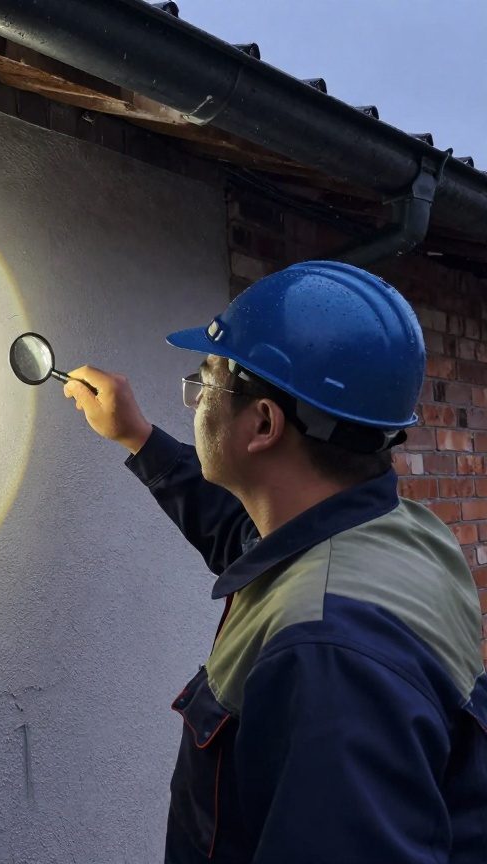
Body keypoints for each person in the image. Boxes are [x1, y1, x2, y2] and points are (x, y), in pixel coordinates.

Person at [63, 261, 487, 864]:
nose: (196, 401)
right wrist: (139, 438)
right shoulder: (393, 531)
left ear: (262, 423)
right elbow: (246, 537)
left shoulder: (328, 656)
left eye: (205, 384)